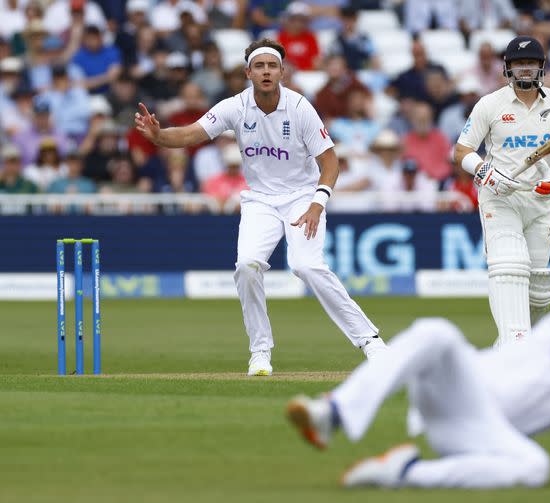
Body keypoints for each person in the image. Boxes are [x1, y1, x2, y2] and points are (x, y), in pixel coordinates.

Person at [286, 280, 550, 488]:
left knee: (535, 467)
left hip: (481, 435)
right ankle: (333, 413)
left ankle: (407, 472)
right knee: (437, 331)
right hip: (460, 385)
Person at [134, 38, 388, 376]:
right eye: (260, 66)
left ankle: (370, 341)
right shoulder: (235, 107)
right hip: (260, 199)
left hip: (302, 195)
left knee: (307, 266)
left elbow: (330, 163)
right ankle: (260, 351)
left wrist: (317, 202)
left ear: (282, 71)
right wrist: (159, 135)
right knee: (247, 265)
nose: (266, 71)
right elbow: (192, 134)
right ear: (248, 72)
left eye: (272, 66)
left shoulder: (299, 108)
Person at [453, 36, 550, 344]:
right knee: (509, 268)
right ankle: (515, 344)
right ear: (508, 69)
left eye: (531, 64)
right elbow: (461, 151)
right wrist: (486, 172)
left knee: (537, 290)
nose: (525, 70)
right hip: (501, 198)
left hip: (541, 200)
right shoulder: (490, 104)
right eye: (519, 64)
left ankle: (507, 351)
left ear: (541, 68)